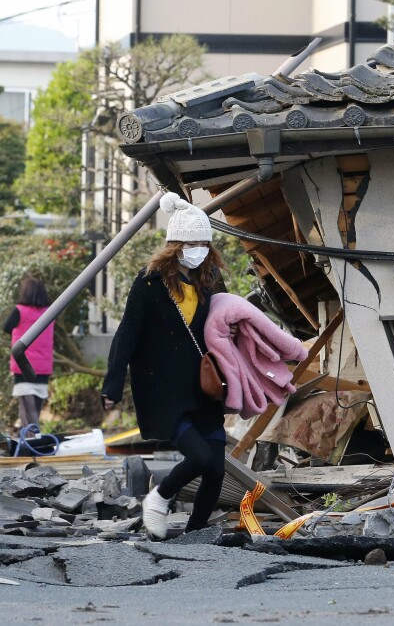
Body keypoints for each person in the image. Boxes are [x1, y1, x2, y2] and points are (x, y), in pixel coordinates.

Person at [101, 192, 233, 539]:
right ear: (175, 245)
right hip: (163, 388)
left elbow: (225, 326)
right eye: (193, 242)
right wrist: (111, 386)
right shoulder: (149, 283)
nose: (200, 248)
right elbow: (126, 334)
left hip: (203, 387)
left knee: (216, 468)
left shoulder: (210, 280)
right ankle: (158, 498)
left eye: (205, 242)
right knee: (201, 457)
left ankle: (196, 534)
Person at [3, 276, 54, 437]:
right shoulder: (49, 312)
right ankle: (31, 437)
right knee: (35, 409)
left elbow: (6, 327)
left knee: (26, 409)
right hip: (43, 366)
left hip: (23, 364)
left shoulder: (19, 310)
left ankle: (31, 441)